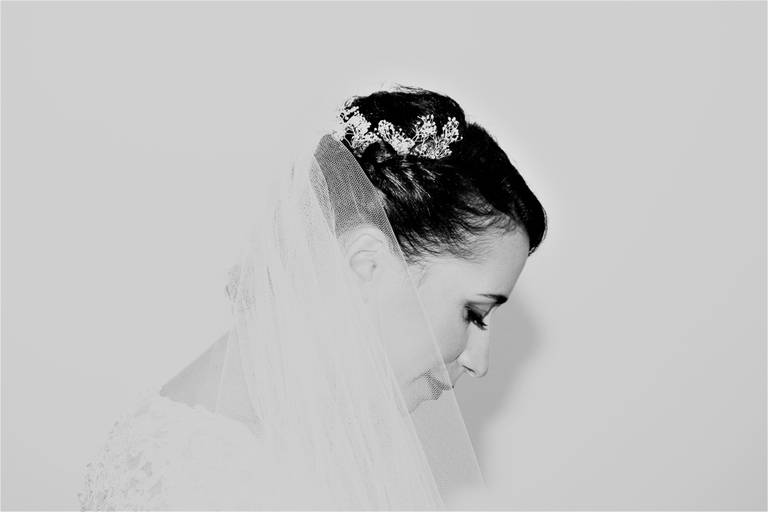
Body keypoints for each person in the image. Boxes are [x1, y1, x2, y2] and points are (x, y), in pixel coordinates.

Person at [78, 85, 547, 510]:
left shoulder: (289, 446)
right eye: (473, 313)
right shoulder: (210, 487)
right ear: (366, 264)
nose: (479, 361)